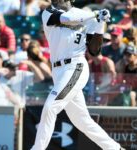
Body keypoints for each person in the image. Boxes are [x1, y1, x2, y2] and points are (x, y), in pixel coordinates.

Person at [31, 0, 125, 150]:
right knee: (81, 120)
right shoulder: (48, 12)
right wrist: (94, 15)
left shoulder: (86, 16)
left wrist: (99, 23)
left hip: (76, 66)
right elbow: (67, 19)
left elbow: (94, 51)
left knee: (50, 107)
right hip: (58, 70)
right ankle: (115, 148)